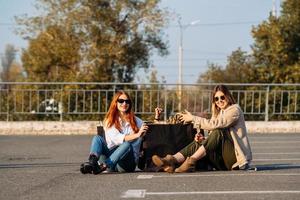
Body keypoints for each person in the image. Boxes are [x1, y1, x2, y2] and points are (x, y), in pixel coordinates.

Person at [152, 84, 252, 173]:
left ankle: (191, 162)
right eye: (216, 99)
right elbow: (214, 139)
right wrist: (203, 140)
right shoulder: (219, 113)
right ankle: (170, 160)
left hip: (235, 160)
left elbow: (215, 125)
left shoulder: (234, 110)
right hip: (221, 159)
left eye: (222, 97)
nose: (219, 101)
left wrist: (193, 118)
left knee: (218, 131)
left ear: (228, 96)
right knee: (198, 142)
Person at [80, 91, 148, 174]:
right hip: (111, 159)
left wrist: (157, 118)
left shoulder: (136, 121)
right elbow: (117, 139)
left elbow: (150, 128)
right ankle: (92, 162)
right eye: (121, 101)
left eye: (127, 101)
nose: (124, 103)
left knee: (127, 145)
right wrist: (137, 135)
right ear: (115, 103)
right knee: (97, 138)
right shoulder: (109, 120)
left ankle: (102, 166)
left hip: (126, 164)